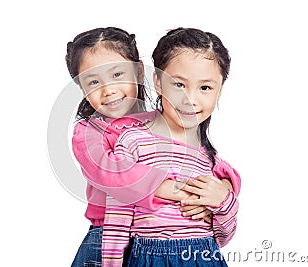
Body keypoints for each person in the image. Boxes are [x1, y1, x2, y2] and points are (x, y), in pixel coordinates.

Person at [66, 27, 240, 266]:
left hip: (165, 239)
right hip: (106, 236)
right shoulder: (89, 132)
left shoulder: (158, 123)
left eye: (118, 75)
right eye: (94, 81)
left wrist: (223, 188)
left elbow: (209, 161)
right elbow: (113, 175)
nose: (109, 90)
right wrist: (174, 190)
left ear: (139, 72)